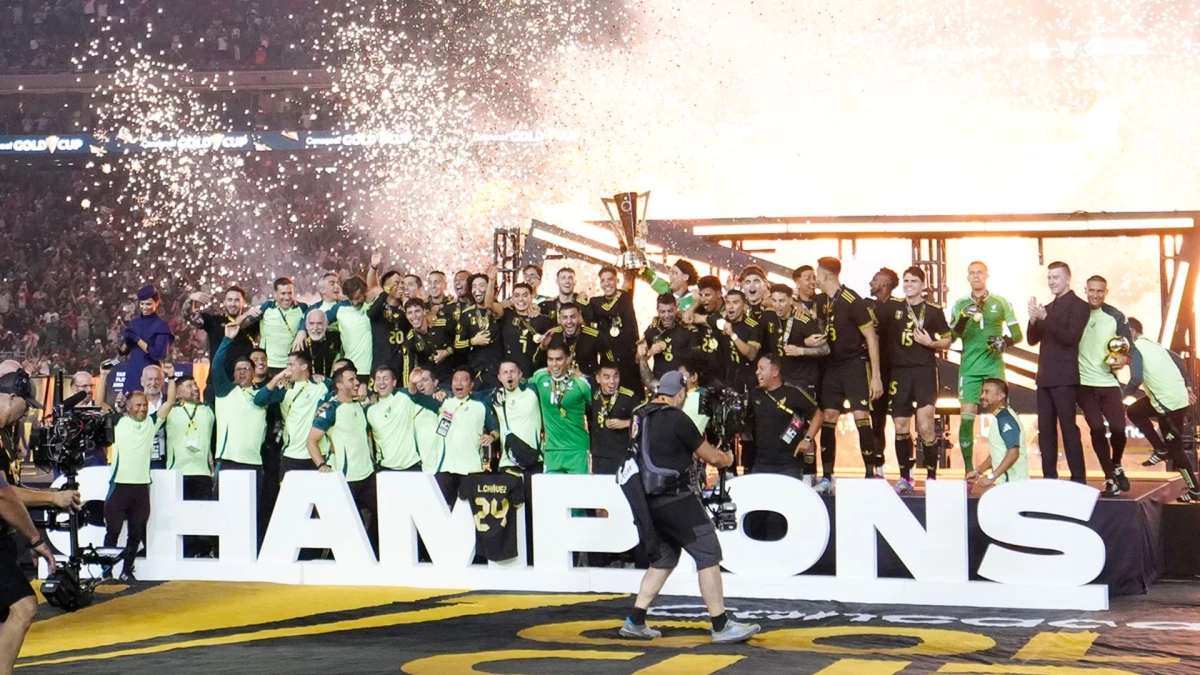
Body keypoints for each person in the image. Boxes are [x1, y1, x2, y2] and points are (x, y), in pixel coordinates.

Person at [618, 372, 759, 644]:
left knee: (665, 559)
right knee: (708, 551)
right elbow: (713, 458)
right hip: (675, 497)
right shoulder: (677, 418)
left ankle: (635, 621)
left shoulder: (640, 416)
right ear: (680, 394)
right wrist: (727, 457)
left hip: (647, 500)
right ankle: (721, 625)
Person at [0, 370, 60, 674]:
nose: (27, 412)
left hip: (2, 538)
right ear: (12, 397)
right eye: (26, 404)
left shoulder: (5, 435)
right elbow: (4, 497)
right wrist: (36, 539)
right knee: (24, 607)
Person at [96, 360, 177, 580]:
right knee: (112, 533)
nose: (142, 408)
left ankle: (126, 571)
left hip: (141, 489)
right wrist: (103, 376)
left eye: (144, 405)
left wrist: (170, 377)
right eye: (137, 405)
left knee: (136, 534)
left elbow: (169, 401)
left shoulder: (152, 424)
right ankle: (106, 572)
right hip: (119, 486)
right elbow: (99, 402)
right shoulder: (119, 422)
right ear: (129, 407)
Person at [877, 267, 952, 492]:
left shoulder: (933, 310)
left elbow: (948, 339)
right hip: (899, 372)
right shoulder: (893, 307)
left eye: (914, 281)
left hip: (924, 371)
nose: (909, 284)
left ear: (922, 285)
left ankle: (930, 477)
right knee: (900, 425)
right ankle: (904, 477)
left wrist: (931, 343)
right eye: (906, 280)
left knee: (926, 425)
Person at [814, 257, 883, 490]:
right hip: (831, 367)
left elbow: (871, 338)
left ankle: (870, 474)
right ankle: (826, 477)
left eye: (817, 274)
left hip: (853, 365)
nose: (815, 278)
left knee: (861, 415)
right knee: (829, 416)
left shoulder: (851, 299)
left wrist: (876, 376)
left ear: (824, 276)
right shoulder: (822, 300)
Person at [950, 261, 1022, 476]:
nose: (976, 276)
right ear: (967, 277)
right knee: (967, 418)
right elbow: (953, 336)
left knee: (1002, 418)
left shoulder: (1000, 302)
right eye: (971, 273)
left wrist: (1004, 342)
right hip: (969, 369)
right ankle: (969, 470)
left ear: (987, 275)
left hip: (993, 367)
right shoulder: (960, 303)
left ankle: (1005, 468)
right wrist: (964, 317)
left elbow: (1018, 335)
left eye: (979, 272)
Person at [1120, 318, 1200, 503]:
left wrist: (1120, 397)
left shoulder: (1136, 348)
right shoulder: (1150, 344)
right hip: (1171, 397)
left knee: (1176, 450)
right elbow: (1178, 359)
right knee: (1135, 411)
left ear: (1132, 331)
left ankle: (1195, 489)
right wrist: (1187, 385)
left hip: (1169, 406)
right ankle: (1159, 448)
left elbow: (1136, 378)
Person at [1027, 261, 1089, 483]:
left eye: (1056, 277)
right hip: (1044, 377)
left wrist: (1045, 318)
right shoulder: (1048, 308)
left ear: (1067, 279)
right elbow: (1032, 339)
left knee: (1068, 429)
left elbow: (1071, 338)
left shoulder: (1079, 306)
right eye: (1049, 278)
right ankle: (1049, 477)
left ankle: (1079, 478)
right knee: (1046, 431)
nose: (1052, 281)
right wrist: (1033, 320)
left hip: (1065, 377)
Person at [309, 365, 379, 542]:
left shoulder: (360, 406)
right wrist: (322, 465)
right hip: (346, 478)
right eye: (351, 380)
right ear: (339, 386)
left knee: (377, 519)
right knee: (342, 525)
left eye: (356, 379)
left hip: (368, 475)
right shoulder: (331, 409)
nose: (357, 382)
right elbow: (311, 441)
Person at [1076, 275, 1131, 496]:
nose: (1095, 295)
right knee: (1097, 429)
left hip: (1108, 382)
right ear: (1085, 290)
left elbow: (1128, 348)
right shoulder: (1077, 313)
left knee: (1118, 428)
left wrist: (1124, 359)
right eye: (1092, 290)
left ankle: (1116, 463)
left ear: (1106, 292)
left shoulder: (1115, 315)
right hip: (1083, 385)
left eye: (1100, 291)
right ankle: (1109, 477)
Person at [211, 325, 268, 503]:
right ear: (233, 374)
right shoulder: (224, 391)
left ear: (254, 373)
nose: (242, 372)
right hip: (227, 461)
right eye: (238, 369)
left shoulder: (263, 394)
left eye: (246, 369)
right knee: (223, 513)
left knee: (251, 514)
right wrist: (227, 340)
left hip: (254, 463)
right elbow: (216, 365)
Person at [426, 368, 499, 505]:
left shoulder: (481, 406)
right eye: (455, 379)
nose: (459, 383)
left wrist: (492, 437)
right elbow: (419, 398)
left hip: (471, 470)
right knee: (443, 510)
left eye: (464, 380)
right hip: (445, 469)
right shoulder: (443, 402)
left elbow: (495, 428)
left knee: (468, 513)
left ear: (471, 385)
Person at [749, 353, 822, 479]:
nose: (757, 372)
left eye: (761, 368)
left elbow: (819, 415)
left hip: (789, 465)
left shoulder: (793, 392)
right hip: (761, 463)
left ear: (775, 372)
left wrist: (808, 439)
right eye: (757, 368)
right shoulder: (755, 394)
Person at [255, 351, 329, 475]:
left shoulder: (322, 385)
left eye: (291, 365)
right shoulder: (285, 387)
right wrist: (277, 378)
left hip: (318, 455)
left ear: (304, 367)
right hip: (291, 455)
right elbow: (259, 400)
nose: (287, 369)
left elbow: (342, 388)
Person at [185, 286, 259, 401]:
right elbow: (188, 316)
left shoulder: (253, 323)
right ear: (224, 302)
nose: (232, 304)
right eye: (229, 300)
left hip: (242, 383)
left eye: (237, 300)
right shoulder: (214, 321)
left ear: (243, 302)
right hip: (215, 384)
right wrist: (191, 299)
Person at [367, 364, 442, 472]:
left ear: (394, 382)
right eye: (378, 379)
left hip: (411, 466)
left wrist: (412, 383)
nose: (381, 382)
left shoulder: (404, 398)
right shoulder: (370, 411)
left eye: (385, 378)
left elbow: (414, 394)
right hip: (385, 469)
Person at [530, 345, 592, 474]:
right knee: (552, 494)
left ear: (568, 359)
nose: (554, 364)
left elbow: (599, 407)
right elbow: (522, 387)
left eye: (559, 359)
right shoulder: (540, 377)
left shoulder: (581, 383)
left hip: (577, 450)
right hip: (552, 451)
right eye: (550, 359)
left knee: (578, 493)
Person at [966, 378, 1029, 490]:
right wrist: (978, 471)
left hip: (1014, 486)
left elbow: (1013, 453)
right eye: (983, 392)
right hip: (1007, 486)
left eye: (987, 392)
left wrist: (991, 477)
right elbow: (997, 454)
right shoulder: (999, 417)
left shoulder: (1005, 419)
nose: (982, 396)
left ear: (1001, 396)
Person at [766, 283, 828, 397]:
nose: (777, 306)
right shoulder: (769, 316)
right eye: (774, 301)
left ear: (790, 300)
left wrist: (801, 351)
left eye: (782, 301)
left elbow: (825, 349)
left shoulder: (803, 321)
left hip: (802, 380)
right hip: (780, 379)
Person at [589, 266, 642, 396]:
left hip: (629, 359)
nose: (606, 283)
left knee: (633, 396)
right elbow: (606, 310)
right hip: (608, 361)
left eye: (610, 279)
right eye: (603, 280)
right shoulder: (596, 302)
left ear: (617, 281)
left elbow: (609, 310)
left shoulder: (624, 298)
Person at [868, 267, 900, 472]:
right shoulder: (867, 306)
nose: (871, 282)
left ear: (886, 283)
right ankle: (877, 467)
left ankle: (908, 470)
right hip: (876, 372)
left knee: (901, 419)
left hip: (898, 371)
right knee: (876, 419)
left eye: (875, 279)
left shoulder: (899, 307)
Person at [164, 375, 215, 498]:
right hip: (176, 472)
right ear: (178, 394)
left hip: (203, 473)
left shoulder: (209, 409)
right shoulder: (170, 411)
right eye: (189, 386)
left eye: (195, 384)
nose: (195, 388)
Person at [119, 285, 175, 391]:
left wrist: (137, 339)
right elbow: (122, 352)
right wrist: (127, 341)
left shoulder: (161, 325)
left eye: (148, 304)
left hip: (151, 375)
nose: (145, 307)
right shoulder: (134, 323)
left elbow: (158, 354)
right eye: (142, 304)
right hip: (133, 372)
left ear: (157, 303)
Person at [455, 270, 503, 391]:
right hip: (475, 372)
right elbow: (457, 345)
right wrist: (472, 342)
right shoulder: (465, 314)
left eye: (482, 286)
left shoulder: (498, 309)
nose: (477, 289)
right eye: (474, 286)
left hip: (497, 371)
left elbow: (489, 304)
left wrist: (492, 280)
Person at [247, 277, 308, 371]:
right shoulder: (267, 307)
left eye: (290, 293)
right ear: (275, 294)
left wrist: (302, 330)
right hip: (268, 365)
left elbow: (314, 314)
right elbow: (246, 323)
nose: (287, 297)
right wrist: (247, 314)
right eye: (283, 293)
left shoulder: (301, 308)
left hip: (291, 365)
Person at [538, 303, 611, 380]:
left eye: (573, 317)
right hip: (558, 384)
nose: (569, 321)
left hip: (588, 384)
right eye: (565, 318)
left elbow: (609, 363)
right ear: (559, 319)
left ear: (579, 316)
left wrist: (587, 377)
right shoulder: (553, 335)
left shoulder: (594, 335)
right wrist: (542, 347)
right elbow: (536, 364)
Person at [491, 361, 542, 470]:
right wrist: (445, 392)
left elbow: (545, 376)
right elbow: (472, 395)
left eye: (512, 371)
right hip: (507, 463)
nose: (509, 375)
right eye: (505, 372)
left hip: (534, 460)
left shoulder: (533, 390)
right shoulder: (495, 397)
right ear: (499, 377)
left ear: (520, 374)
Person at [588, 362, 637, 475]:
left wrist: (626, 423)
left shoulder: (629, 397)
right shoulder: (592, 396)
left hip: (621, 455)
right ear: (598, 378)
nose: (612, 381)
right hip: (599, 457)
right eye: (607, 377)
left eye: (616, 376)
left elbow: (643, 420)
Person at [499, 283, 553, 379]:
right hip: (510, 375)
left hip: (535, 374)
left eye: (525, 295)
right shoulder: (506, 315)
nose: (520, 299)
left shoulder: (543, 320)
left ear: (532, 297)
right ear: (512, 298)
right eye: (516, 296)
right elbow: (489, 305)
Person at [641, 293, 697, 385]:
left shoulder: (687, 330)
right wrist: (650, 352)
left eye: (670, 311)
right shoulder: (652, 329)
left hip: (682, 385)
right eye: (662, 312)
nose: (666, 316)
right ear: (657, 311)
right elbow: (638, 358)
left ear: (676, 309)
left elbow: (696, 361)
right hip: (660, 385)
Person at [323, 276, 374, 375]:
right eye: (351, 299)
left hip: (373, 371)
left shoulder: (373, 306)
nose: (354, 302)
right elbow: (318, 320)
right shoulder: (339, 308)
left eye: (358, 298)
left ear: (365, 292)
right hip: (349, 371)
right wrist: (302, 331)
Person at [301, 308, 341, 379]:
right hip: (308, 384)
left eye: (319, 323)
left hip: (330, 383)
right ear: (306, 325)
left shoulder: (335, 338)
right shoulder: (301, 343)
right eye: (311, 323)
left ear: (326, 324)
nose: (315, 328)